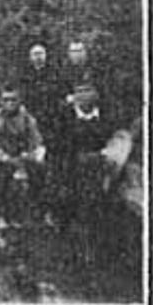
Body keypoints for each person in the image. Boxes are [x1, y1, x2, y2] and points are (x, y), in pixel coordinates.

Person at [0, 85, 45, 230]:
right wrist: (5, 158)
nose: (10, 103)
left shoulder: (28, 119)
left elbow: (37, 142)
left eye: (13, 100)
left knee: (39, 174)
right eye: (6, 100)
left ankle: (33, 215)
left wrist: (29, 156)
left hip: (22, 157)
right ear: (0, 101)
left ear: (20, 100)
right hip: (1, 159)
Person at [50, 83, 115, 229]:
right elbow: (58, 144)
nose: (84, 95)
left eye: (88, 90)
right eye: (79, 91)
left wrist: (102, 154)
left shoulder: (108, 115)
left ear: (97, 94)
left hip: (103, 163)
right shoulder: (63, 117)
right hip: (72, 166)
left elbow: (116, 140)